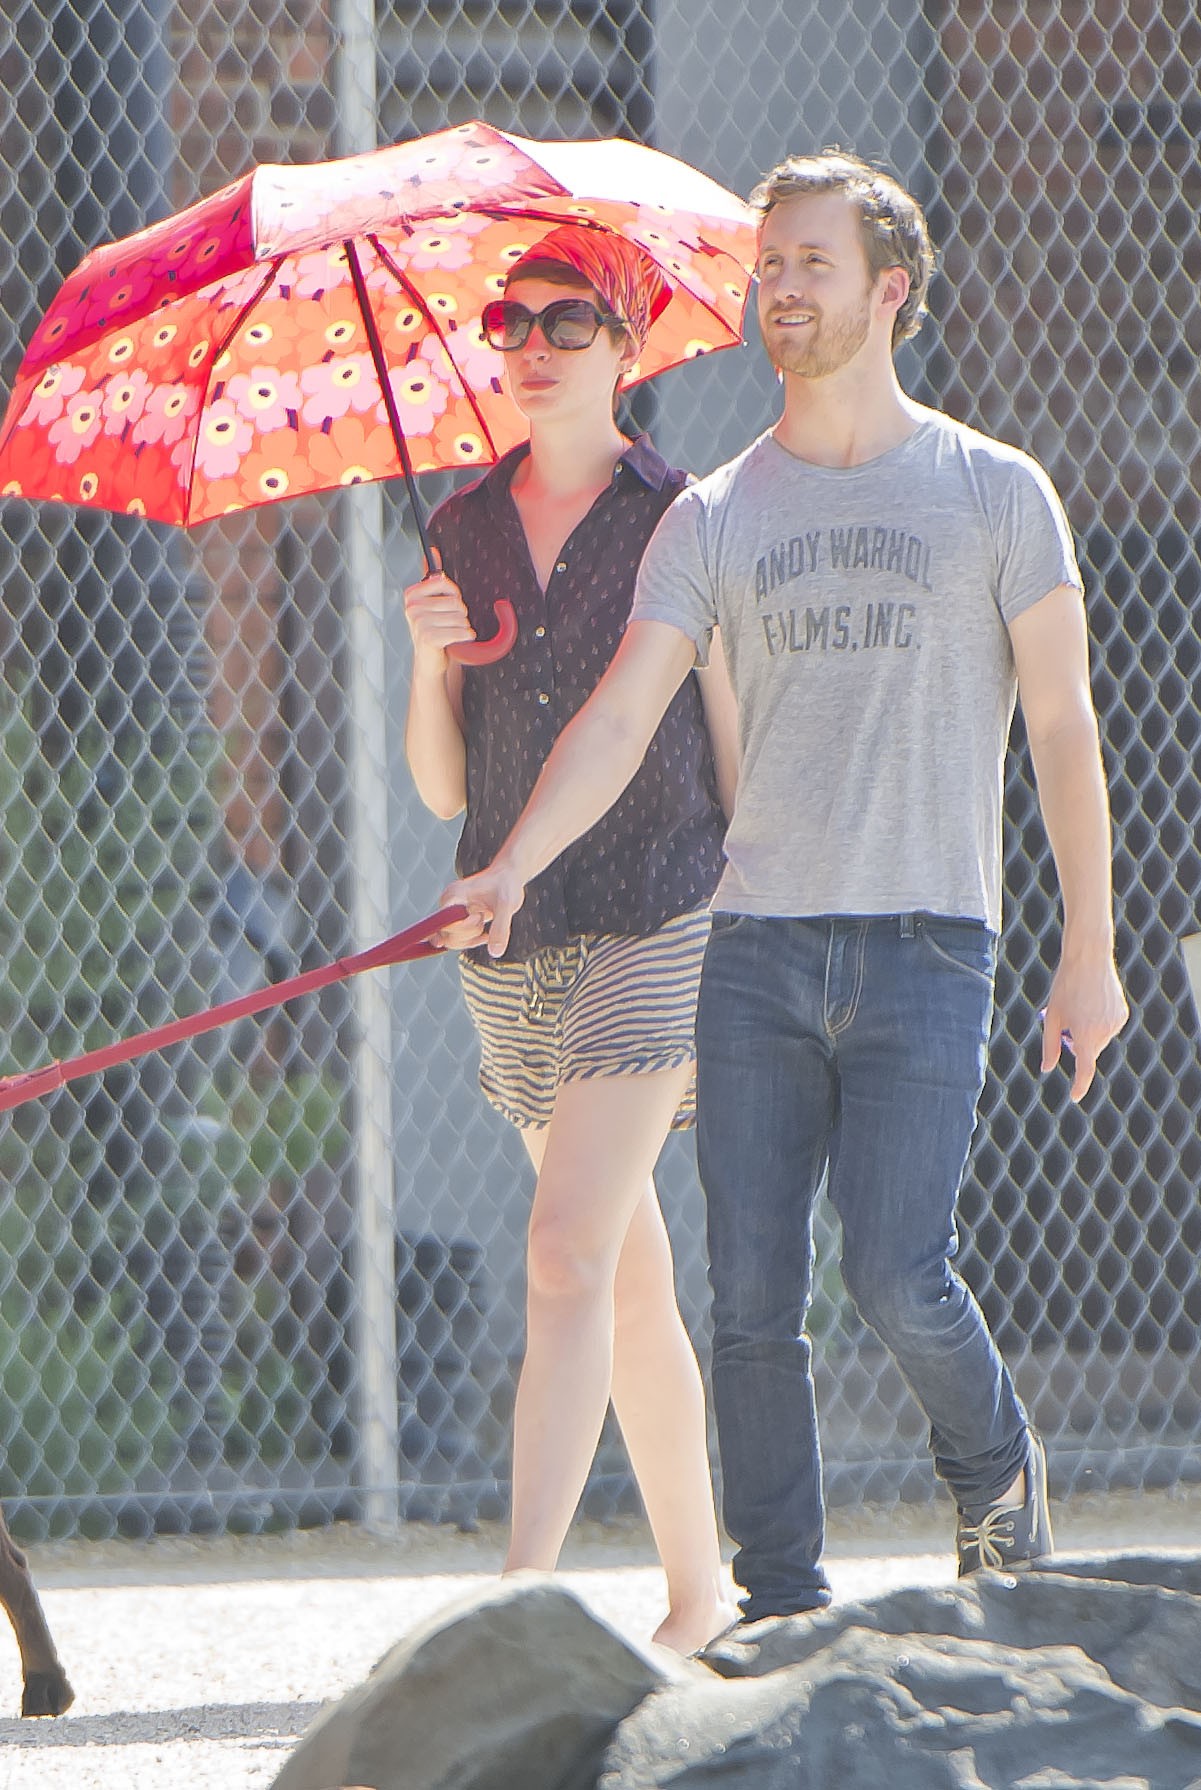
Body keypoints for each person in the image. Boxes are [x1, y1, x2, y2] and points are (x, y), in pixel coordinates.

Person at [435, 152, 1129, 1625]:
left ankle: (993, 1465)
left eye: (811, 263)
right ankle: (777, 1603)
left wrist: (1091, 951)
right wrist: (508, 861)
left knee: (895, 1269)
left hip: (930, 941)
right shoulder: (715, 514)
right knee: (751, 1302)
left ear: (890, 290)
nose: (781, 290)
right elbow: (619, 717)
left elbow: (1064, 726)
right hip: (749, 947)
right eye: (767, 267)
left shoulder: (994, 492)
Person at [402, 224, 739, 1653]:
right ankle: (697, 1587)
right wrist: (424, 653)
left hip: (659, 905)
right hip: (505, 930)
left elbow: (729, 739)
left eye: (567, 322)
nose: (532, 346)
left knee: (556, 1250)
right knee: (623, 1266)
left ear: (628, 348)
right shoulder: (459, 529)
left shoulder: (683, 516)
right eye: (510, 321)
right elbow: (441, 785)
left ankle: (518, 1602)